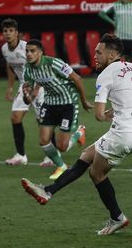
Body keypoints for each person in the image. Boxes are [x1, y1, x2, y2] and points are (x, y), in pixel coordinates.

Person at [21, 34, 132, 235]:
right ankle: (48, 191)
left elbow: (98, 116)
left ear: (113, 54)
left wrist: (108, 114)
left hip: (123, 134)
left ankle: (117, 217)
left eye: (99, 52)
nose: (95, 55)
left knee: (96, 174)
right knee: (87, 155)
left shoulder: (106, 75)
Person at [22, 39, 92, 180]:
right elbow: (29, 97)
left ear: (40, 52)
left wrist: (83, 100)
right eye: (27, 51)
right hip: (49, 104)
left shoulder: (54, 63)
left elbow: (77, 79)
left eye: (32, 51)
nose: (29, 54)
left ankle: (79, 133)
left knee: (62, 147)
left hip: (68, 103)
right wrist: (26, 95)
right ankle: (62, 166)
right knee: (43, 140)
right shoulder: (28, 69)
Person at [1, 19, 46, 166]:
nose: (8, 34)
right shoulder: (4, 49)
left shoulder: (27, 48)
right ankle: (20, 155)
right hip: (24, 85)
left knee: (43, 122)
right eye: (5, 31)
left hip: (40, 85)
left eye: (11, 31)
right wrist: (10, 87)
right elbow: (10, 66)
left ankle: (51, 156)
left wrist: (37, 90)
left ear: (17, 33)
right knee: (15, 117)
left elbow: (41, 67)